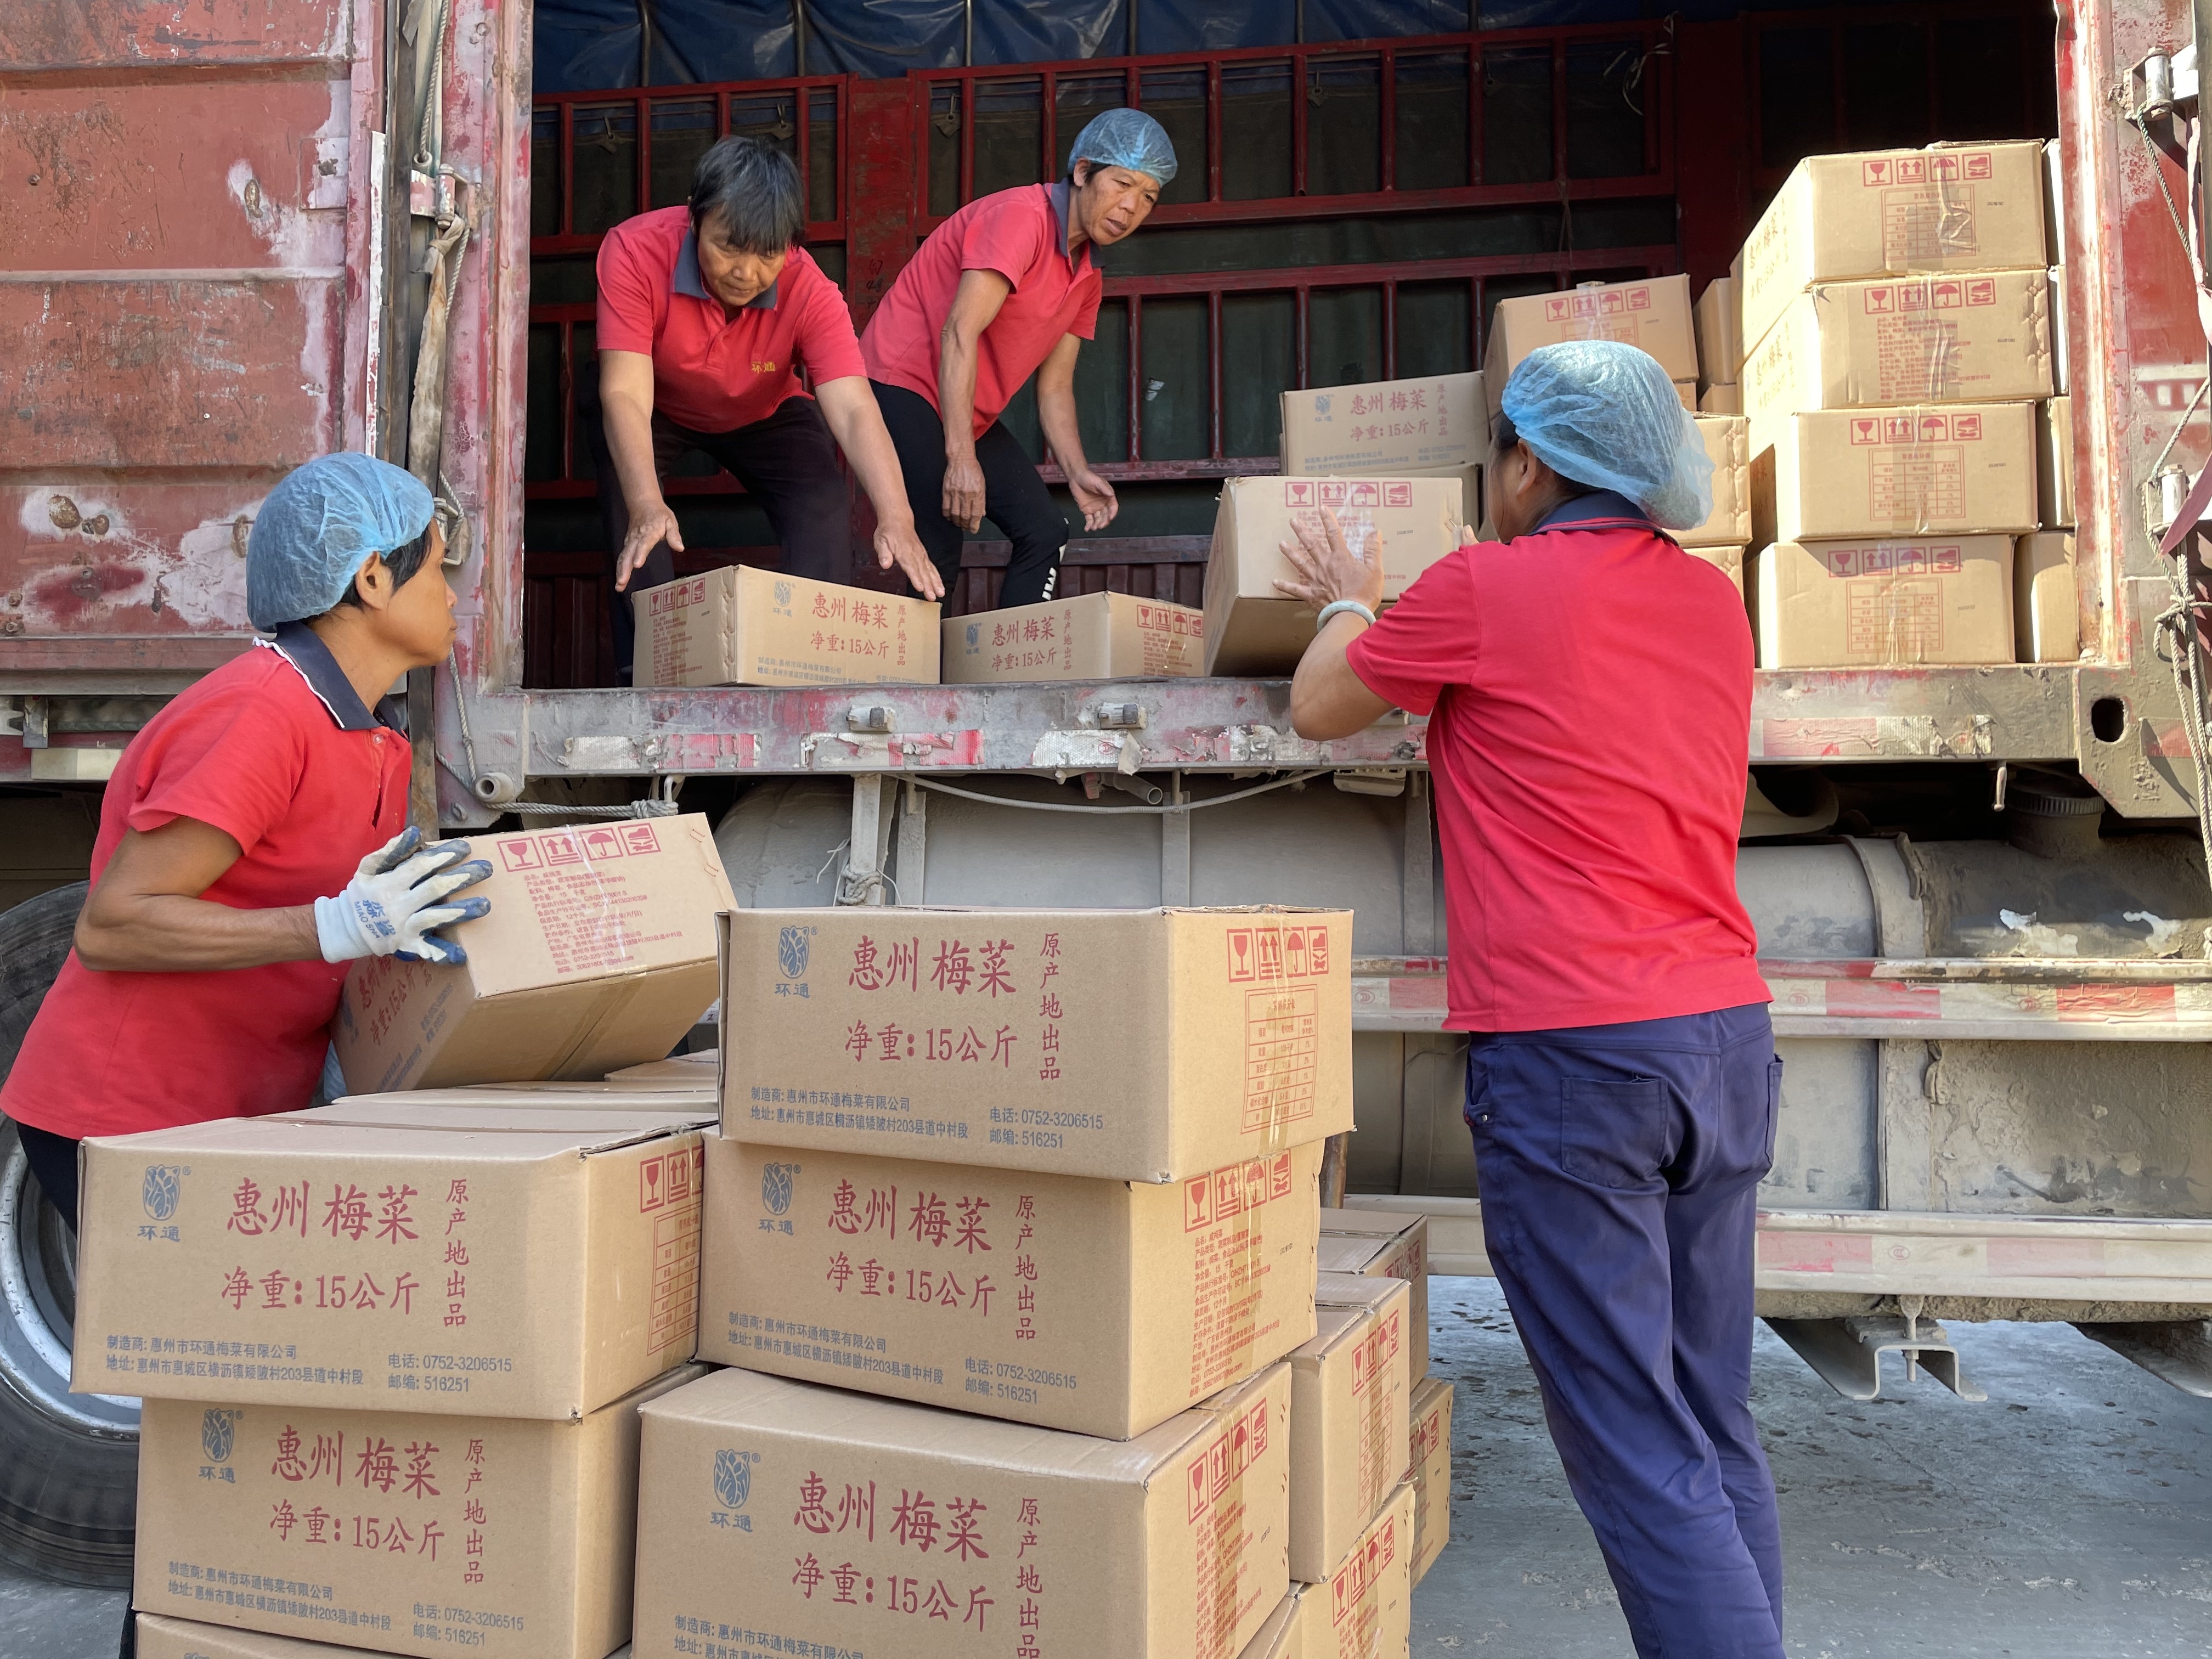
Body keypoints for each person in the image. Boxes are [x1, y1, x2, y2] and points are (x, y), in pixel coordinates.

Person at [1276, 341, 1785, 1659]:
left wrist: (1349, 601)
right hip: (1722, 1042)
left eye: (1497, 453)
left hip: (1579, 1061)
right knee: (1708, 1418)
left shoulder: (1484, 590)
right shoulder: (1713, 605)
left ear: (1531, 467)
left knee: (1635, 1446)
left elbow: (1320, 707)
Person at [0, 453, 494, 1233]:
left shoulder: (368, 734)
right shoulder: (261, 715)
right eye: (436, 568)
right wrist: (336, 925)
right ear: (372, 579)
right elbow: (114, 925)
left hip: (236, 1118)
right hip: (132, 1120)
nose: (453, 595)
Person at [589, 134, 938, 678]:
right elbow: (626, 393)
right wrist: (647, 503)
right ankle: (651, 675)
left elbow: (852, 407)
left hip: (763, 409)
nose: (745, 273)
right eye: (728, 247)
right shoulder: (634, 250)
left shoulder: (811, 290)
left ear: (790, 246)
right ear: (694, 218)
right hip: (655, 402)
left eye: (768, 255)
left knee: (824, 502)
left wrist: (897, 516)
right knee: (635, 507)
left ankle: (810, 675)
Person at [859, 108, 1176, 606]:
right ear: (1083, 171)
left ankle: (1018, 654)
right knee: (941, 539)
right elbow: (959, 332)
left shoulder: (1088, 274)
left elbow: (1055, 388)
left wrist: (1076, 471)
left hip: (964, 409)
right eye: (1122, 184)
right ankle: (915, 660)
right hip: (903, 385)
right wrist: (961, 459)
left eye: (1149, 197)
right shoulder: (1021, 218)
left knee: (1045, 530)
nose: (1131, 206)